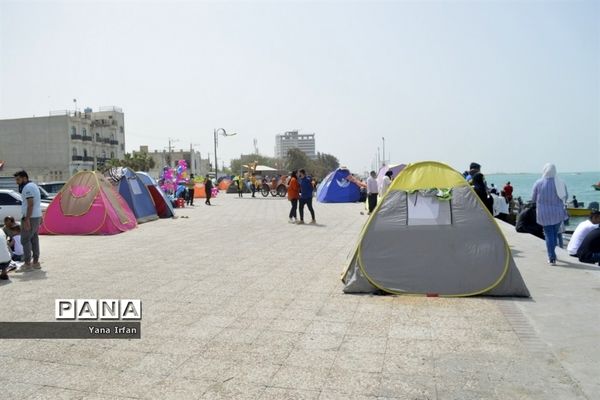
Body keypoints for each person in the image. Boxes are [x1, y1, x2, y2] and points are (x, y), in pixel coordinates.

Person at [532, 164, 568, 265]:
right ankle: (553, 254)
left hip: (544, 214)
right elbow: (566, 196)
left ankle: (552, 257)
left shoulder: (538, 183)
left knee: (549, 235)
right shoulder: (561, 183)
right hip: (558, 213)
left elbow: (533, 198)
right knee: (554, 234)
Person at [13, 170, 42, 272]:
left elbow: (30, 204)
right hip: (36, 216)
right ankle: (36, 262)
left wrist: (27, 219)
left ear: (24, 178)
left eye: (18, 179)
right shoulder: (33, 185)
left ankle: (27, 264)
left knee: (25, 239)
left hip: (31, 217)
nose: (17, 182)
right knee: (34, 238)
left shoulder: (27, 187)